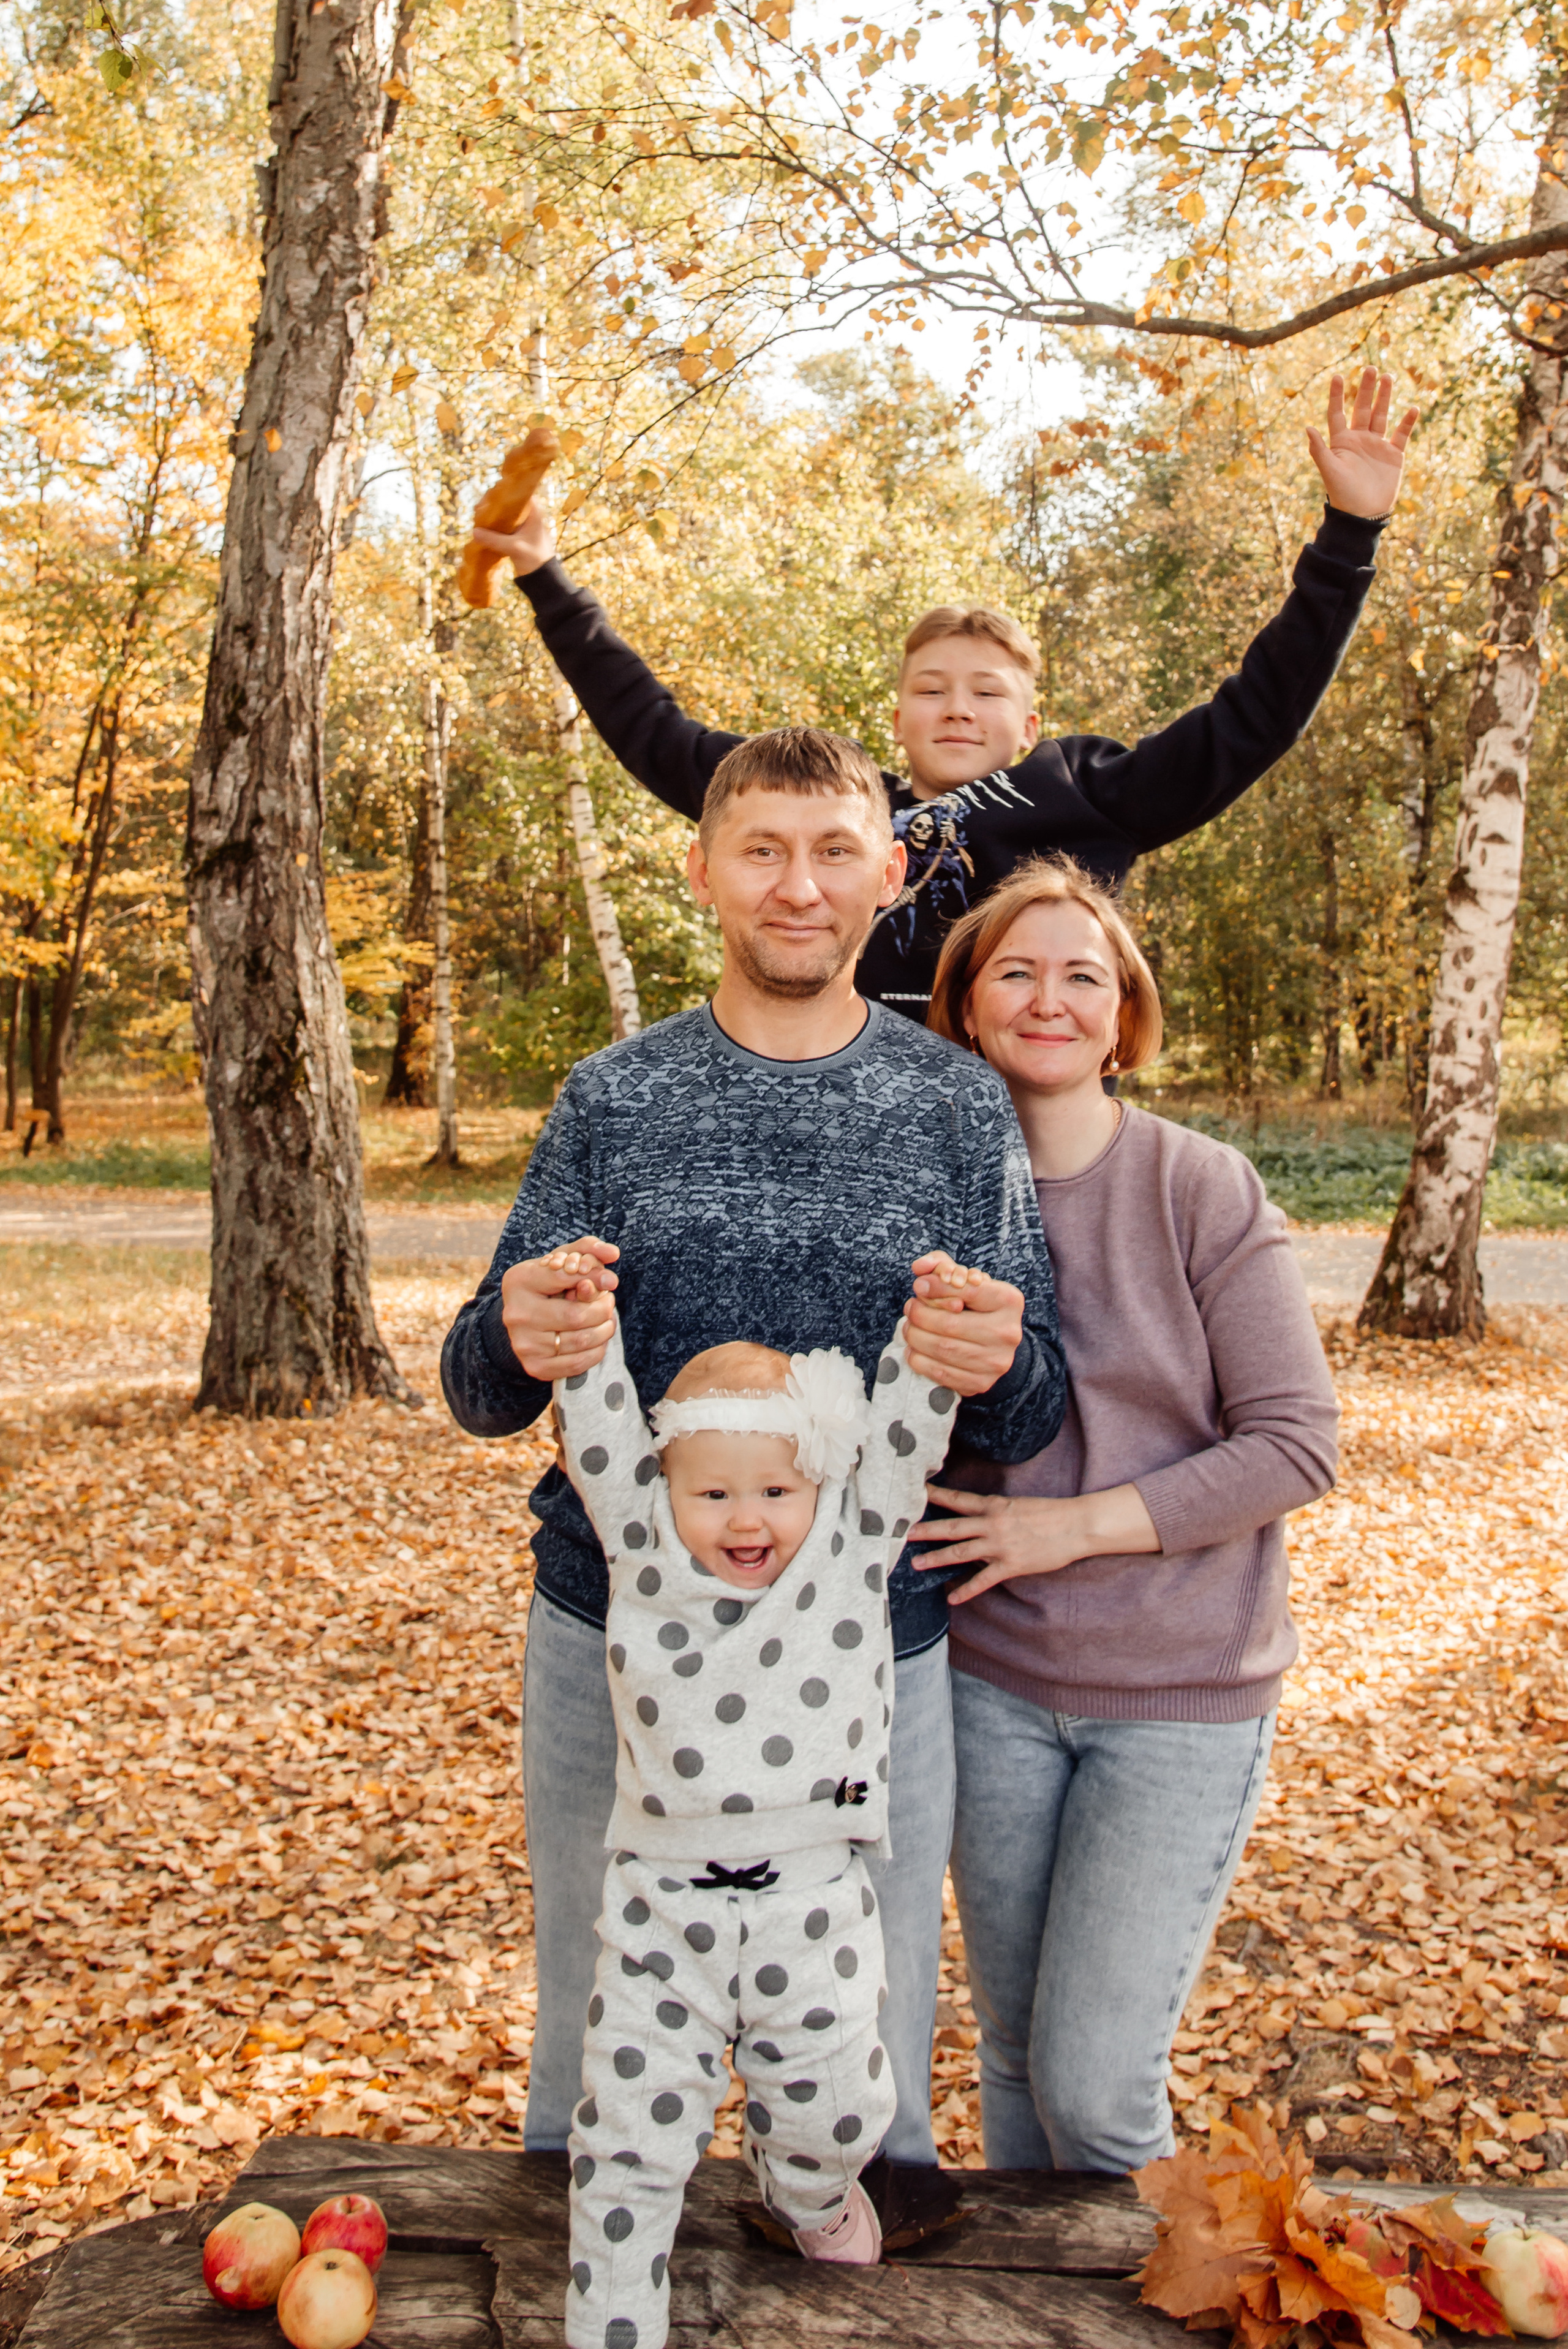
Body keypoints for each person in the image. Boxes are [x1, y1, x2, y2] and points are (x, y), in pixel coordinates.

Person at [440, 726, 1064, 2217]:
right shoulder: (614, 1097)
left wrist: (997, 1361)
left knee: (864, 2047)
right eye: (764, 851)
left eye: (834, 851)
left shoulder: (953, 1105)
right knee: (591, 2024)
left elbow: (1027, 1409)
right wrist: (513, 1332)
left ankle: (846, 2245)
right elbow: (478, 1381)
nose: (799, 887)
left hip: (868, 1655)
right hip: (614, 1643)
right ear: (702, 870)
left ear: (888, 874)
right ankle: (591, 2275)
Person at [472, 369, 1415, 1018]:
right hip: (863, 1125)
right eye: (931, 689)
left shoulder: (1084, 791)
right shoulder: (835, 804)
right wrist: (548, 581)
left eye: (986, 692)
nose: (958, 707)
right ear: (897, 718)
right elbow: (655, 732)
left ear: (1029, 723)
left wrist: (1351, 533)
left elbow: (1256, 717)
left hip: (1026, 1131)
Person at [908, 857, 1339, 2173]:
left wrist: (1068, 1526)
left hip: (1177, 1692)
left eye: (1081, 976)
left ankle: (1167, 2272)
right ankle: (1040, 2290)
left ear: (1123, 1015)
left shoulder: (1199, 1186)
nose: (1049, 999)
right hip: (988, 1680)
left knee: (1095, 2093)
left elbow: (1295, 1445)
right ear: (965, 1006)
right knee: (1012, 2054)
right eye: (1015, 972)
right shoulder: (930, 1193)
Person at [546, 1250, 979, 2347]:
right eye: (714, 1493)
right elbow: (596, 1421)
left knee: (841, 2112)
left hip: (813, 1901)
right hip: (662, 1909)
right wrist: (584, 1320)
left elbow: (907, 1436)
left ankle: (808, 2190)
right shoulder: (641, 1542)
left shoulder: (853, 1543)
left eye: (776, 1491)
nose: (747, 1520)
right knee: (627, 2144)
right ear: (666, 1488)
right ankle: (613, 2321)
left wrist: (929, 1333)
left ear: (817, 1483)